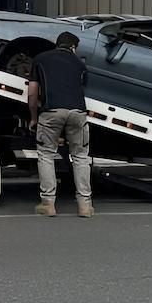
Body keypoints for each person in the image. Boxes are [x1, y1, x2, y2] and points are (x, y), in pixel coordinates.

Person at [27, 31, 93, 217]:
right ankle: (85, 206)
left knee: (46, 155)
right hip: (78, 112)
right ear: (73, 47)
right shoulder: (80, 64)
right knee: (80, 157)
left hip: (51, 112)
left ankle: (48, 204)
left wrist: (33, 117)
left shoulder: (40, 59)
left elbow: (32, 94)